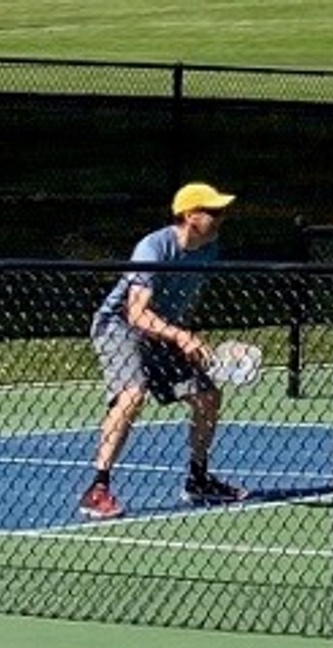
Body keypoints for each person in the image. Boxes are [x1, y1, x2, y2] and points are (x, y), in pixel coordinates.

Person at [78, 182, 249, 519]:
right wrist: (180, 336)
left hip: (161, 333)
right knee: (132, 394)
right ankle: (97, 488)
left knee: (207, 396)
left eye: (222, 212)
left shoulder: (208, 250)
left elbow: (181, 301)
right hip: (118, 327)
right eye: (212, 212)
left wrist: (186, 340)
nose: (220, 218)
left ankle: (198, 480)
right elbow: (136, 313)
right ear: (189, 216)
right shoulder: (153, 248)